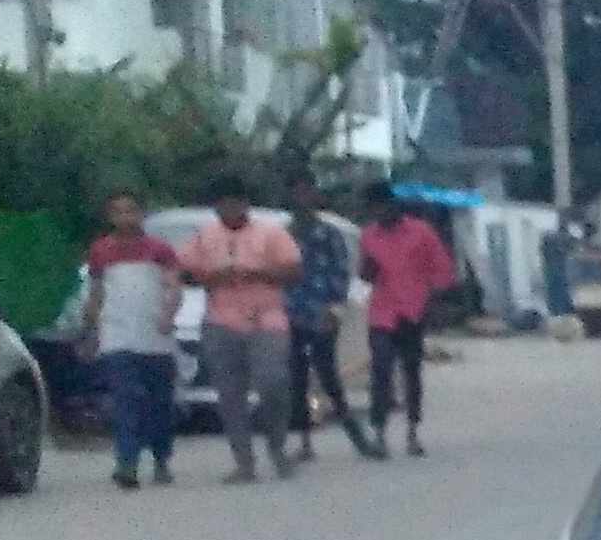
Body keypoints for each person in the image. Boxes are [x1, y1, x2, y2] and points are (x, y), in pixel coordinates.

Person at [178, 179, 305, 481]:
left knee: (273, 384)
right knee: (230, 395)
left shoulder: (271, 233)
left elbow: (294, 272)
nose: (230, 209)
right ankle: (244, 460)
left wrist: (259, 273)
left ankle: (277, 446)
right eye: (224, 204)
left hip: (267, 320)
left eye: (236, 202)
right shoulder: (205, 237)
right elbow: (186, 273)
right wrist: (212, 276)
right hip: (221, 321)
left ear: (246, 204)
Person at [78, 192, 184, 490]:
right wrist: (89, 329)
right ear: (110, 217)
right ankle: (127, 461)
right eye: (119, 212)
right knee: (125, 399)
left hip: (155, 335)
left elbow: (174, 286)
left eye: (131, 211)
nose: (125, 218)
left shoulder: (160, 250)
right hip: (116, 333)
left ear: (141, 214)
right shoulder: (101, 250)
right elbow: (96, 292)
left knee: (159, 400)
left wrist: (168, 314)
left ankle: (161, 457)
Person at [282, 178, 379, 461]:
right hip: (291, 313)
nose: (302, 198)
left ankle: (358, 438)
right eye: (297, 193)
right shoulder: (284, 234)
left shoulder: (329, 233)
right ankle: (304, 442)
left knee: (328, 377)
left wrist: (335, 308)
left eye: (306, 192)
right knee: (297, 378)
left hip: (322, 312)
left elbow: (341, 273)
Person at [359, 191, 455, 454]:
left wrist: (435, 299)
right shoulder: (369, 236)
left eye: (383, 207)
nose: (379, 213)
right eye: (374, 209)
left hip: (413, 310)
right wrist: (368, 269)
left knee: (411, 372)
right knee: (380, 371)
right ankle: (379, 433)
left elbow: (442, 269)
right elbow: (364, 275)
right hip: (383, 312)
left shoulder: (421, 232)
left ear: (393, 205)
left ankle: (412, 432)